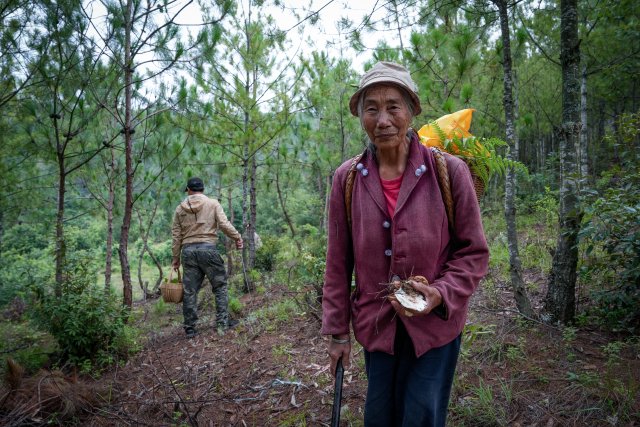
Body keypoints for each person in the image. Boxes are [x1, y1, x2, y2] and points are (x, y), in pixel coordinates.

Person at [322, 62, 490, 426]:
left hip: (434, 329)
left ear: (412, 111)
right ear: (361, 116)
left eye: (393, 106)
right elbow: (338, 262)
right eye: (372, 108)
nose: (383, 119)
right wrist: (337, 332)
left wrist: (441, 292)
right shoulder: (346, 179)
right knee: (380, 416)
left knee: (421, 417)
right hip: (377, 324)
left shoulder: (449, 171)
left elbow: (474, 253)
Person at [171, 177, 244, 338]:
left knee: (190, 291)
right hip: (208, 250)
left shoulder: (179, 209)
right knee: (220, 287)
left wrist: (175, 258)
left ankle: (190, 328)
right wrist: (237, 237)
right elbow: (224, 225)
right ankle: (222, 323)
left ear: (188, 190)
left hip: (188, 252)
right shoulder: (213, 204)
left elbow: (176, 236)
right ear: (203, 189)